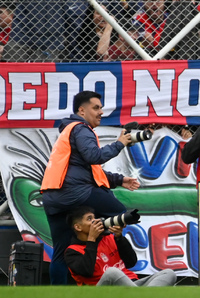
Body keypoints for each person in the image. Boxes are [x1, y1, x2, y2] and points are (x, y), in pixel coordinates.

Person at [41, 91, 139, 285]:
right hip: (74, 193)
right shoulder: (81, 128)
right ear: (81, 110)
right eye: (96, 108)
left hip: (53, 198)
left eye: (101, 107)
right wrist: (119, 143)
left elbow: (89, 172)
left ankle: (55, 294)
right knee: (120, 213)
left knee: (60, 252)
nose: (101, 112)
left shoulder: (68, 131)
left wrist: (119, 180)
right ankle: (101, 252)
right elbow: (94, 156)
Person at [65, 206, 176, 286]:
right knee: (112, 272)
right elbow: (87, 272)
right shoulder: (72, 251)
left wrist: (119, 238)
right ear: (78, 227)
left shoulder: (109, 238)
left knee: (168, 273)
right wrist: (91, 241)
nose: (96, 221)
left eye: (95, 218)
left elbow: (131, 262)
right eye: (89, 219)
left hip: (131, 284)